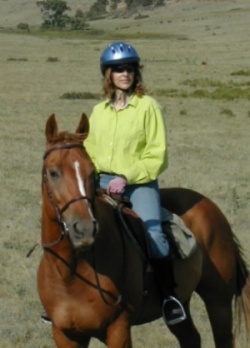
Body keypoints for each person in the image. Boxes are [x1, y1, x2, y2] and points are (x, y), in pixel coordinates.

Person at [84, 41, 187, 326]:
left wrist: (126, 176)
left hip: (138, 184)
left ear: (136, 72)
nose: (125, 74)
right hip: (102, 182)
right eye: (118, 69)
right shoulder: (99, 111)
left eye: (129, 68)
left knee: (154, 236)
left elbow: (157, 154)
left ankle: (170, 298)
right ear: (108, 74)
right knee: (75, 226)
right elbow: (89, 150)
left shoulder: (148, 107)